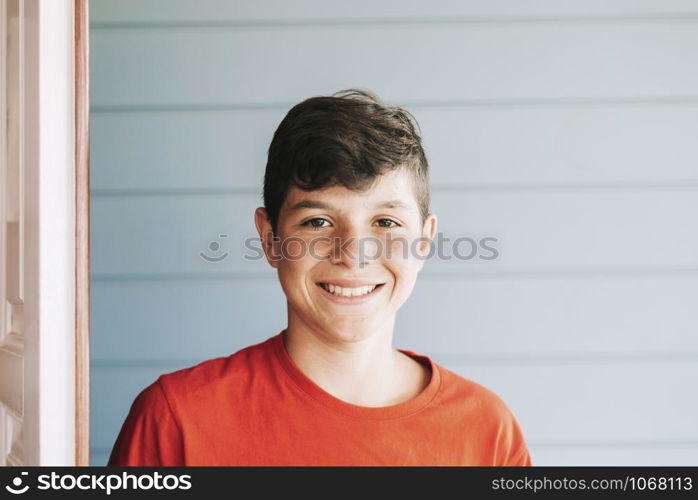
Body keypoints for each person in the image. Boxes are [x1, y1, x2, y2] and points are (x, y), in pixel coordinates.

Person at [107, 89, 532, 466]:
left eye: (385, 222)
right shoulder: (176, 419)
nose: (352, 253)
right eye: (317, 222)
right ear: (271, 239)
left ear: (423, 242)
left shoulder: (487, 432)